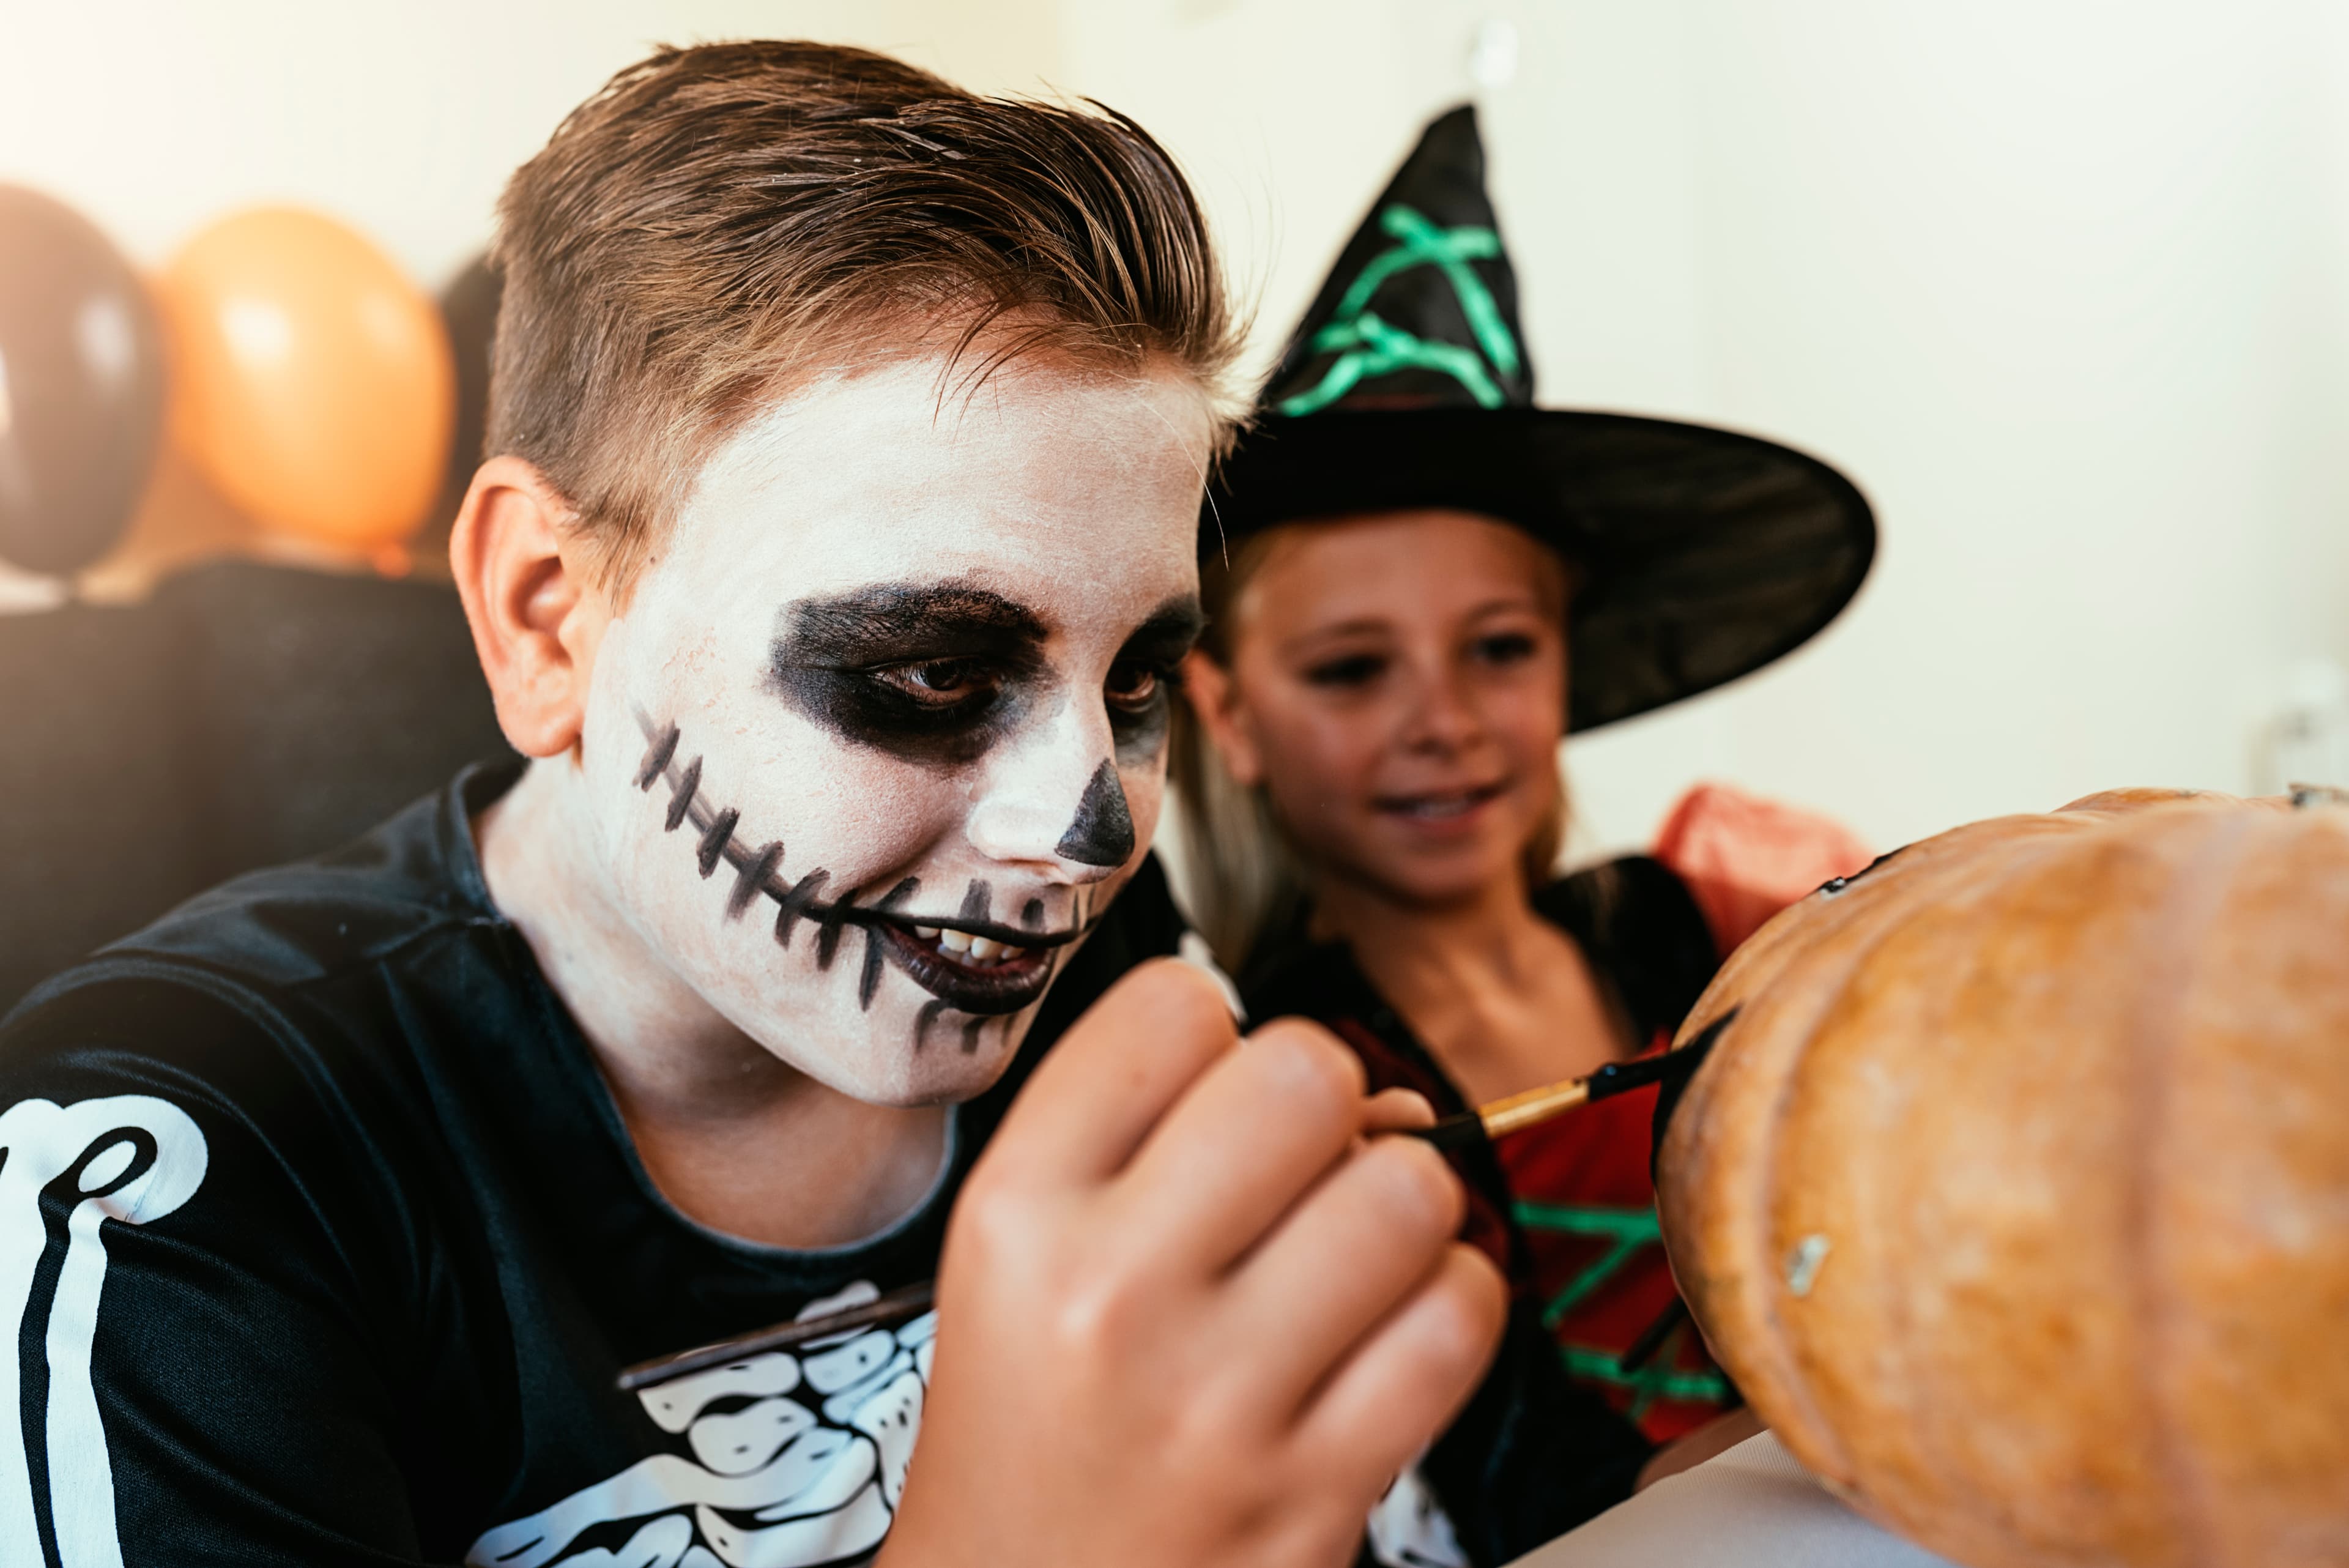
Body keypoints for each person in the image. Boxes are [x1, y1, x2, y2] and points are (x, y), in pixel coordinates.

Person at [0, 45, 1508, 1568]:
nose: (1091, 831)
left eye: (1137, 682)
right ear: (546, 616)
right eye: (925, 671)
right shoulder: (178, 1186)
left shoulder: (1094, 982)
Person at [1173, 106, 1878, 1566]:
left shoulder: (1713, 933)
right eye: (1354, 670)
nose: (1444, 720)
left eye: (1496, 647)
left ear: (1567, 661)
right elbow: (1519, 1496)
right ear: (1228, 713)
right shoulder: (1290, 1083)